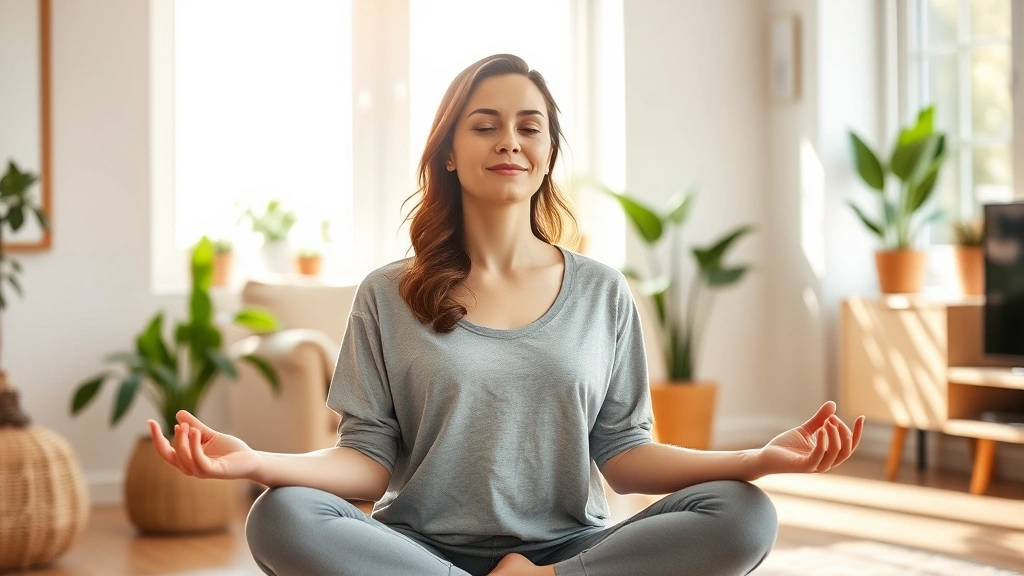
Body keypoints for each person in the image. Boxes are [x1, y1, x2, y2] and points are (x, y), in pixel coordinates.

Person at [148, 53, 865, 576]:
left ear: (549, 153)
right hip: (422, 551)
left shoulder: (601, 292)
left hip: (573, 549)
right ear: (451, 153)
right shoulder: (386, 294)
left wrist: (760, 460)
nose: (509, 141)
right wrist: (254, 462)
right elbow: (366, 467)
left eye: (530, 126)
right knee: (281, 514)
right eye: (485, 125)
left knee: (744, 513)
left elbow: (626, 456)